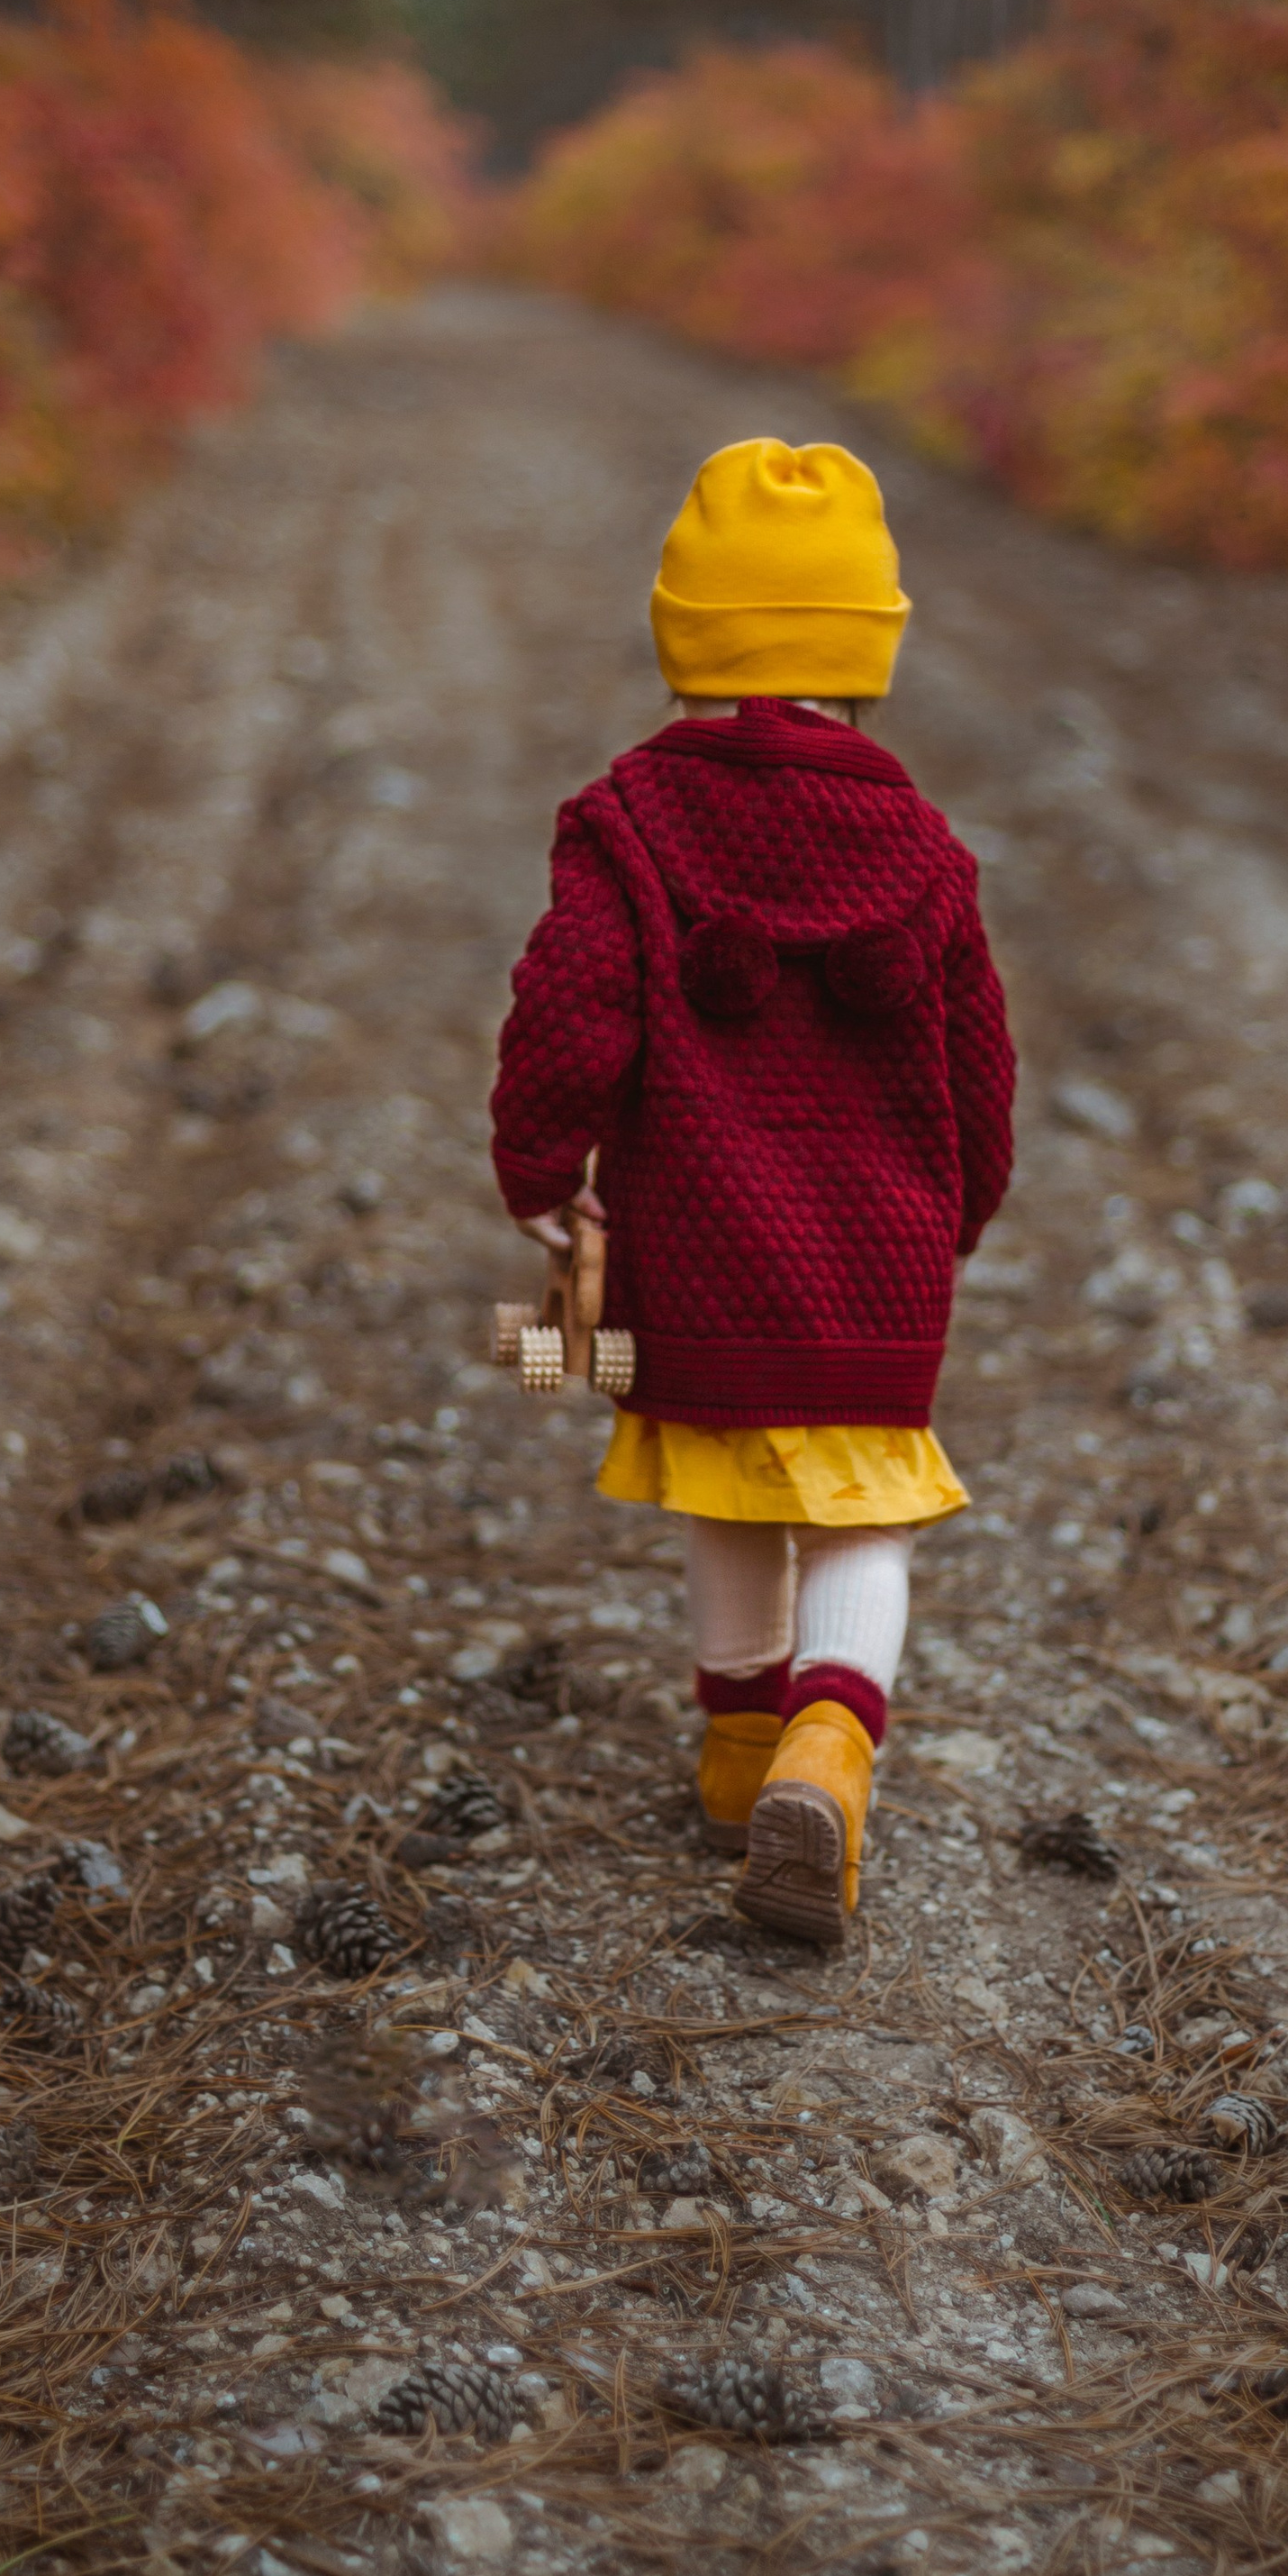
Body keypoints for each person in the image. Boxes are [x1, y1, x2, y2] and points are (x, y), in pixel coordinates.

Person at [488, 437, 1016, 1947]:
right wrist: (960, 1211)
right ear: (866, 659)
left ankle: (737, 1768)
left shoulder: (632, 821)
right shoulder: (922, 846)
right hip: (877, 1263)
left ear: (686, 646)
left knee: (722, 1476)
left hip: (699, 1252)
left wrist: (539, 1166)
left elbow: (567, 1006)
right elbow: (985, 1065)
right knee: (864, 1516)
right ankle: (829, 1748)